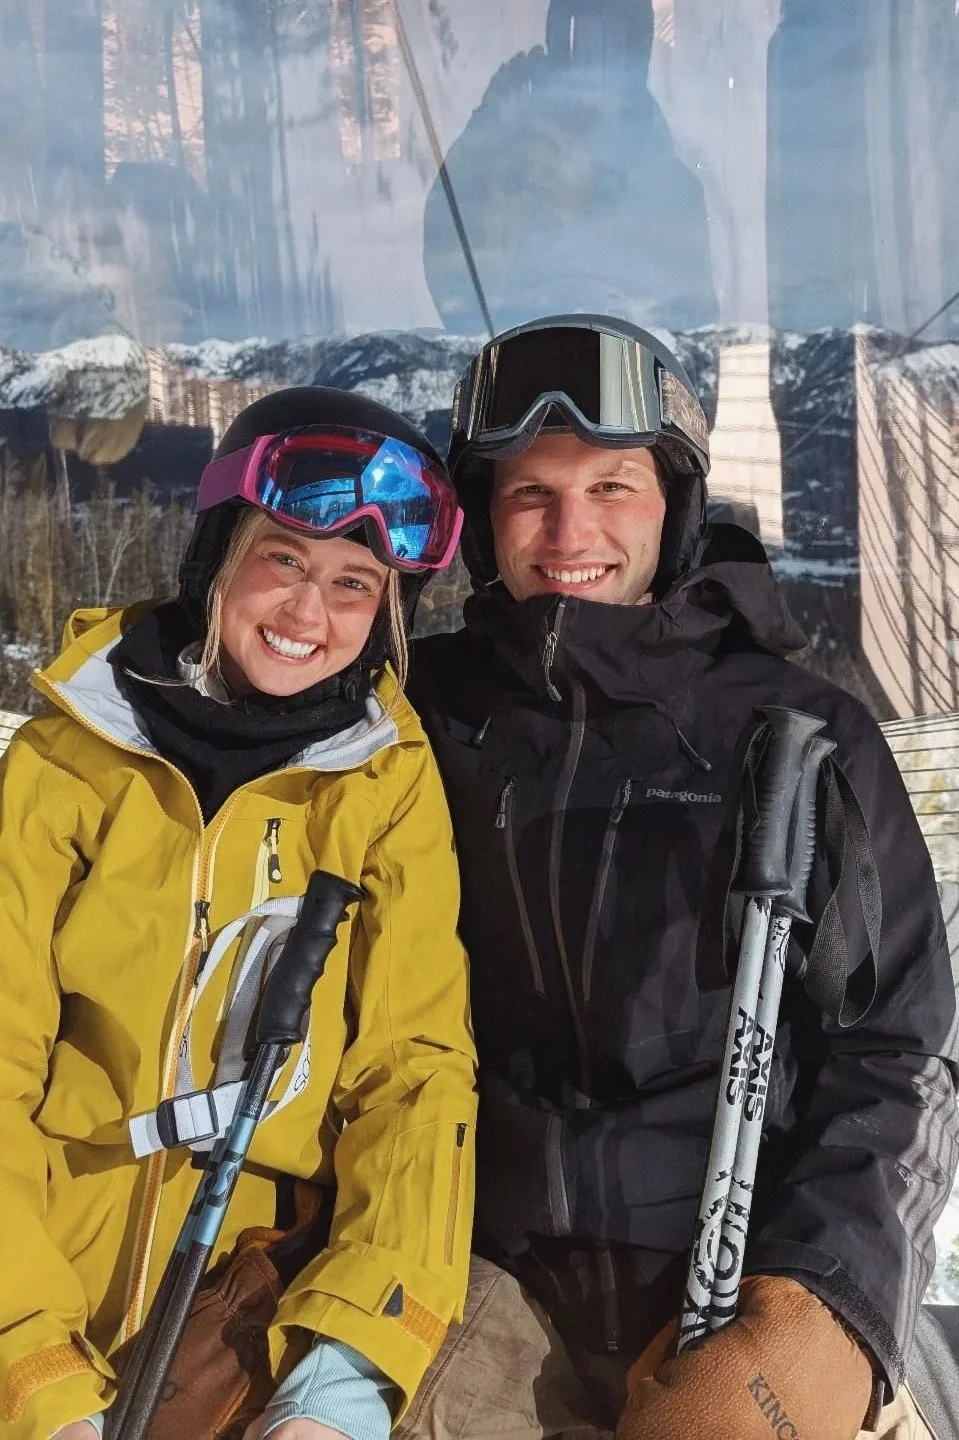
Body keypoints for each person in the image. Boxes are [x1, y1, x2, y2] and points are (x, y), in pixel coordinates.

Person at [406, 315, 959, 1440]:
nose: (570, 531)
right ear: (483, 520)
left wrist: (823, 1303)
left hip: (740, 1254)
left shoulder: (794, 733)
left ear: (674, 504)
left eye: (611, 487)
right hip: (484, 1263)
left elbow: (896, 1051)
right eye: (529, 493)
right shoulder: (423, 719)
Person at [0, 388, 477, 1440]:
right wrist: (30, 1369)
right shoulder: (68, 761)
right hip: (39, 1270)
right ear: (218, 554)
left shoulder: (384, 784)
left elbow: (413, 1073)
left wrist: (344, 1372)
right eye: (283, 560)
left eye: (353, 584)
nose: (308, 614)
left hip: (243, 1306)